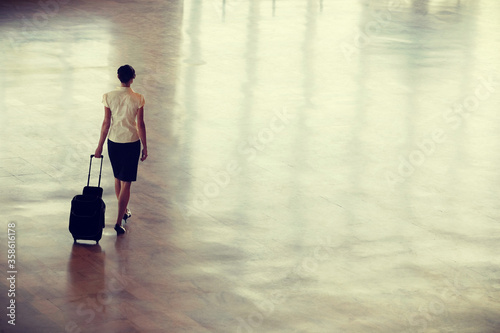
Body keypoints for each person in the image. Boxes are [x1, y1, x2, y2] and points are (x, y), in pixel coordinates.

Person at [94, 64, 148, 235]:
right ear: (133, 78)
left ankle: (124, 211)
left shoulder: (108, 97)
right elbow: (140, 125)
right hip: (131, 142)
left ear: (118, 76)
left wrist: (100, 146)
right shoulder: (138, 98)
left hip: (114, 142)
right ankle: (118, 222)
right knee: (127, 182)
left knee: (118, 178)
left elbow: (106, 123)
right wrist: (145, 146)